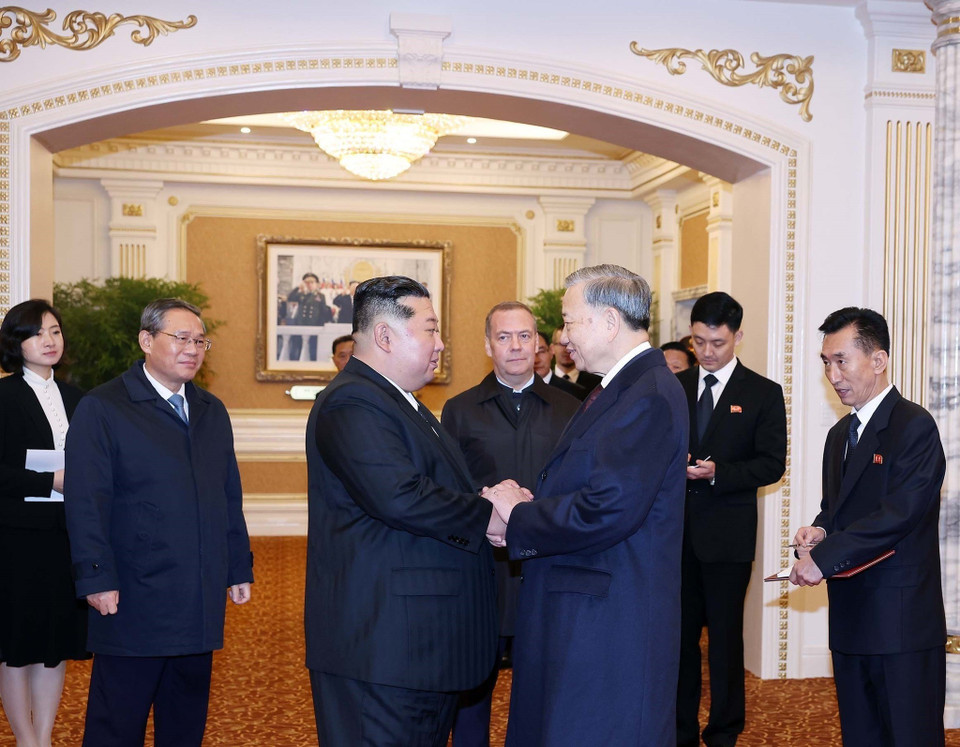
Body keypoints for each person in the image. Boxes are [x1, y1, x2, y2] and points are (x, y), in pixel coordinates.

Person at [486, 264, 689, 745]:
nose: (560, 336)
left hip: (609, 618)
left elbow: (608, 509)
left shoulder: (648, 395)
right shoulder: (620, 388)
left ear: (610, 322)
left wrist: (519, 514)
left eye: (570, 320)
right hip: (587, 605)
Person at [304, 275, 510, 747]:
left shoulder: (402, 402)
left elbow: (433, 487)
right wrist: (491, 515)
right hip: (382, 651)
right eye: (430, 330)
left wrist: (489, 498)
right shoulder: (352, 401)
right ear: (383, 336)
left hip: (416, 649)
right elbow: (400, 495)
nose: (441, 345)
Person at [64, 298, 253, 747]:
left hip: (198, 596)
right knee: (118, 723)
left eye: (200, 340)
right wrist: (95, 578)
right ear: (147, 341)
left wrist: (237, 567)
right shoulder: (104, 407)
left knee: (184, 722)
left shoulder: (211, 410)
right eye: (181, 338)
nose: (192, 349)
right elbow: (85, 500)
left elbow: (228, 495)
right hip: (133, 594)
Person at [790, 307, 945, 746]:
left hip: (900, 624)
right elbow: (836, 510)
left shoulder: (914, 426)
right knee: (861, 735)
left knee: (909, 735)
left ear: (878, 360)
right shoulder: (840, 434)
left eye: (842, 360)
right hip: (851, 615)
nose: (833, 374)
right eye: (826, 363)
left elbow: (898, 514)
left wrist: (822, 559)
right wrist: (819, 531)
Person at [442, 302, 579, 747]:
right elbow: (451, 486)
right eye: (504, 337)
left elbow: (578, 485)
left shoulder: (570, 408)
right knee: (474, 681)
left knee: (542, 682)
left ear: (539, 343)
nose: (516, 346)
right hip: (484, 565)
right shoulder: (459, 410)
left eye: (524, 336)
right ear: (488, 345)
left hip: (545, 565)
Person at [675, 291, 787, 747]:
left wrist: (720, 472)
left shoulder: (762, 393)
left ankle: (723, 731)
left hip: (728, 539)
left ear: (738, 336)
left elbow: (771, 464)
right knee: (679, 642)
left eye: (717, 342)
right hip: (676, 537)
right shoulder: (674, 388)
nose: (706, 351)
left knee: (724, 641)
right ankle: (679, 730)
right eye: (698, 341)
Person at [0, 299, 89, 747]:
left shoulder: (78, 398)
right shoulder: (4, 396)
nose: (49, 340)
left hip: (66, 536)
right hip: (16, 538)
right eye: (37, 333)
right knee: (17, 649)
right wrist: (51, 478)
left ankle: (46, 737)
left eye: (54, 331)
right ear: (17, 344)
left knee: (54, 648)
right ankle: (25, 739)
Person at [287, 272, 333, 361]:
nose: (309, 285)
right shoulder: (301, 294)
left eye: (312, 282)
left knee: (313, 351)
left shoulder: (320, 296)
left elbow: (323, 311)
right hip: (300, 325)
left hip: (314, 326)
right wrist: (298, 288)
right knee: (296, 350)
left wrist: (322, 324)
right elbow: (290, 298)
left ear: (316, 284)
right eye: (307, 282)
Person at [534, 330, 587, 400]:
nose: (536, 360)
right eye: (530, 353)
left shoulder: (576, 393)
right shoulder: (516, 391)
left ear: (551, 351)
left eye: (541, 351)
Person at [550, 326, 602, 391]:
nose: (567, 349)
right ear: (552, 348)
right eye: (562, 344)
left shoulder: (597, 383)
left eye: (572, 344)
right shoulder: (543, 382)